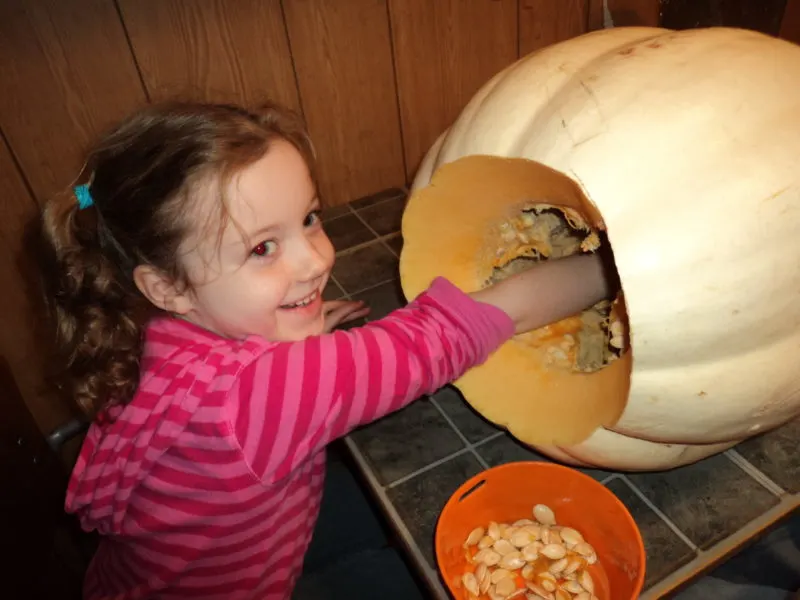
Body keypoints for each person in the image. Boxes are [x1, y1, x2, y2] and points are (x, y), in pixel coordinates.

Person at [39, 100, 617, 600]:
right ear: (167, 286)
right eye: (263, 246)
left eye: (310, 218)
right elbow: (443, 339)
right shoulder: (257, 400)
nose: (317, 260)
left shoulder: (152, 330)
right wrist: (612, 270)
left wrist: (295, 339)